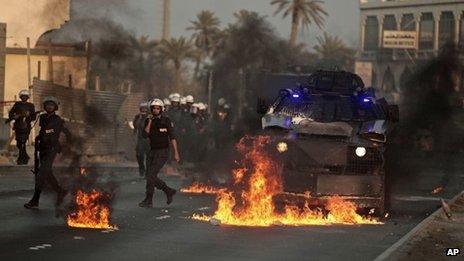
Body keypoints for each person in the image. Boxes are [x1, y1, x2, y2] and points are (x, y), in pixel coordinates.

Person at [24, 96, 71, 209]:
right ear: (45, 106)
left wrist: (65, 146)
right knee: (47, 173)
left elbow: (67, 133)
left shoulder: (58, 120)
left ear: (55, 107)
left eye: (52, 105)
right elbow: (42, 130)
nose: (49, 106)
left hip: (52, 149)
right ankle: (60, 191)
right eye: (47, 105)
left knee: (41, 175)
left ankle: (35, 201)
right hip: (43, 148)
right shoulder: (43, 117)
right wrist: (38, 138)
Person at [139, 99, 180, 208]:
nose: (156, 110)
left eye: (158, 108)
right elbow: (145, 135)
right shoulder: (148, 120)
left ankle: (149, 199)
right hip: (152, 151)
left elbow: (172, 137)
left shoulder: (166, 120)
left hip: (163, 152)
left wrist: (176, 153)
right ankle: (167, 191)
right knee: (149, 176)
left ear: (161, 109)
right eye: (154, 108)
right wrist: (150, 121)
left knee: (151, 175)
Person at [7, 89, 37, 165]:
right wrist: (15, 116)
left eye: (25, 96)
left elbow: (33, 117)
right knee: (18, 143)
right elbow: (11, 113)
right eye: (23, 96)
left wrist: (28, 116)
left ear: (27, 97)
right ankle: (25, 155)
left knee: (23, 141)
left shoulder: (31, 105)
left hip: (26, 126)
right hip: (18, 126)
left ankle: (21, 158)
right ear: (20, 97)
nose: (24, 98)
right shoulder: (17, 104)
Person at [133, 102, 150, 177]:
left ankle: (148, 172)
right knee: (139, 155)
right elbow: (135, 127)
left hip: (149, 140)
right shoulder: (137, 117)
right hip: (141, 139)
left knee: (149, 157)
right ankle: (141, 168)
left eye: (145, 108)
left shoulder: (151, 117)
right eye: (142, 108)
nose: (144, 110)